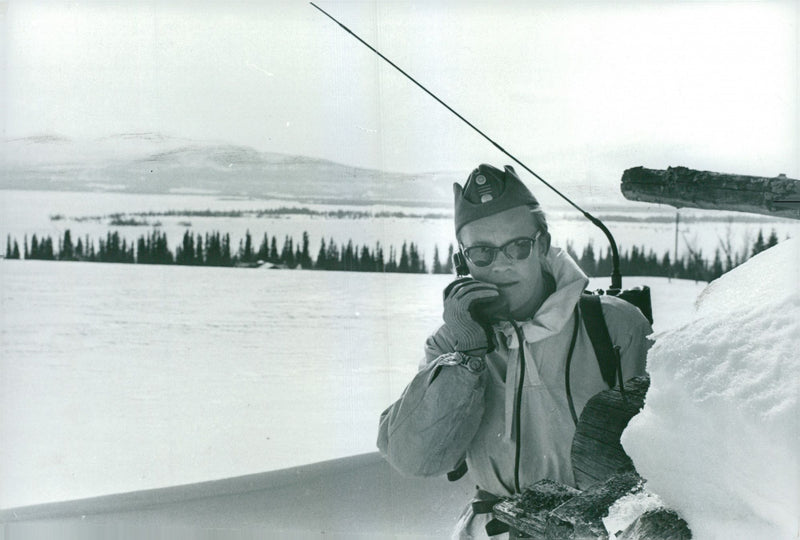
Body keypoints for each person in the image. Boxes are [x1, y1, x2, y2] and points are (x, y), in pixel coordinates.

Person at [377, 164, 653, 539]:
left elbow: (658, 455)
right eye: (482, 253)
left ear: (541, 245)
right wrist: (468, 359)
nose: (501, 264)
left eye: (518, 247)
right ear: (463, 261)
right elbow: (414, 458)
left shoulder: (614, 325)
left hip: (596, 531)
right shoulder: (450, 345)